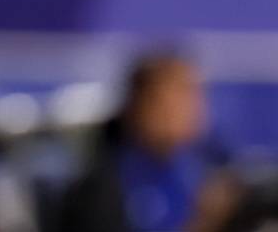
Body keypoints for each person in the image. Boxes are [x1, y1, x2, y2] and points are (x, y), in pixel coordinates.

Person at [59, 53, 240, 232]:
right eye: (175, 98)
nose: (190, 110)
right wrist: (207, 222)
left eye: (194, 96)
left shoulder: (209, 162)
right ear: (138, 105)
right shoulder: (105, 181)